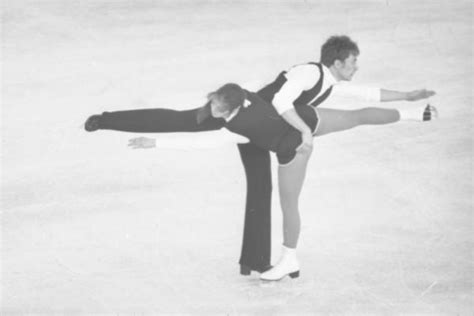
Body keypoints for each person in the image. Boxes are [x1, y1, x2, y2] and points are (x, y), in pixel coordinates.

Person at [84, 35, 436, 276]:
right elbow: (277, 102)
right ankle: (107, 119)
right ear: (338, 61)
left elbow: (366, 92)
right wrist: (298, 129)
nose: (356, 67)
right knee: (181, 120)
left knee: (261, 191)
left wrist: (407, 96)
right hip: (239, 118)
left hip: (254, 127)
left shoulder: (330, 79)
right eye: (353, 62)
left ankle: (252, 262)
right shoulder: (307, 73)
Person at [127, 83, 437, 281]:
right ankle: (415, 114)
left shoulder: (237, 127)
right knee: (356, 117)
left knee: (289, 205)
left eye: (219, 111)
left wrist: (154, 143)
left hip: (293, 149)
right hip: (304, 118)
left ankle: (289, 259)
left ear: (233, 109)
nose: (215, 114)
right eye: (213, 106)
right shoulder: (245, 96)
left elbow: (200, 144)